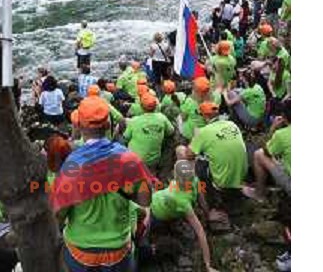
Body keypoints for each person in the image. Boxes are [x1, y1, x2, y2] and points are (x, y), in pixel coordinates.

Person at [50, 96, 155, 271]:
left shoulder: (70, 166)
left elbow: (58, 215)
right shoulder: (129, 159)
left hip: (80, 252)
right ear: (107, 125)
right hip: (118, 251)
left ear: (79, 126)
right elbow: (145, 201)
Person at [150, 160, 218, 272]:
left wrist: (207, 264)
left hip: (160, 202)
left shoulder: (190, 186)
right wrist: (208, 265)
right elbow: (200, 232)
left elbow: (201, 199)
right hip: (155, 212)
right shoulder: (187, 191)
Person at [187, 103, 248, 212]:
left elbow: (189, 154)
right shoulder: (232, 124)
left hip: (221, 183)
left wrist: (196, 137)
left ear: (205, 117)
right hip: (241, 178)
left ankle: (205, 199)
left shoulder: (204, 132)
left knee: (191, 159)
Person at [243, 101, 291, 201]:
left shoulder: (281, 134)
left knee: (258, 154)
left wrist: (272, 129)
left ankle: (259, 194)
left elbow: (267, 151)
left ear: (283, 116)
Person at [123, 93, 174, 171]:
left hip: (135, 160)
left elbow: (125, 138)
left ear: (141, 106)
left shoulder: (134, 120)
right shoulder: (162, 118)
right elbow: (170, 131)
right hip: (154, 160)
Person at [180, 77, 213, 142]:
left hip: (190, 133)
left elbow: (183, 117)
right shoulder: (211, 103)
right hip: (204, 132)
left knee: (179, 119)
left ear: (195, 91)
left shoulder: (189, 101)